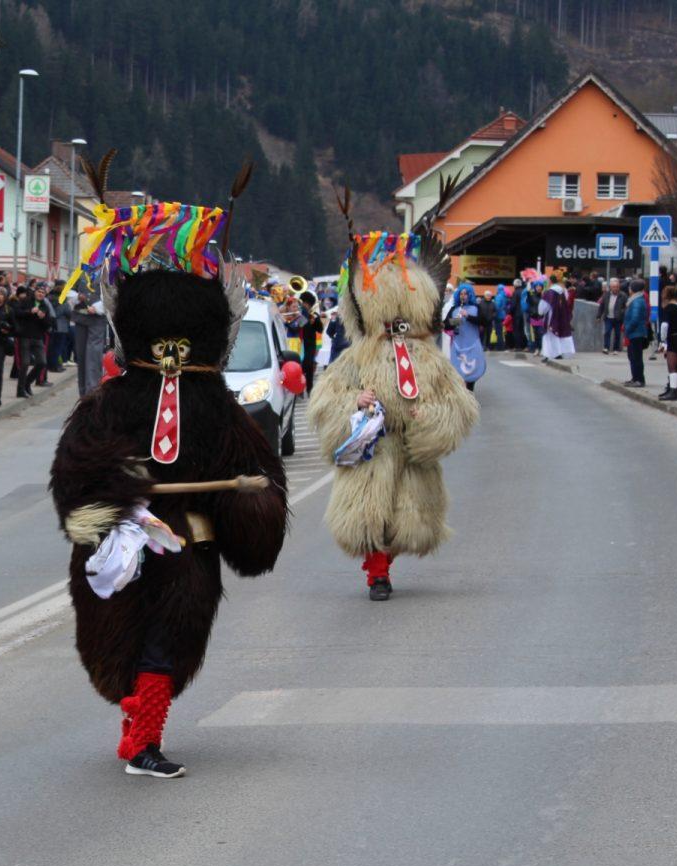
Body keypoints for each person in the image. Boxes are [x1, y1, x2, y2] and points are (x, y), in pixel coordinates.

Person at [49, 191, 288, 780]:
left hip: (187, 547)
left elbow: (258, 476)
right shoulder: (111, 403)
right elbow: (75, 468)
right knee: (120, 637)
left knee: (170, 639)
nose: (172, 355)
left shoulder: (218, 408)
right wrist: (111, 491)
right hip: (120, 541)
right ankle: (138, 725)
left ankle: (144, 741)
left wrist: (246, 500)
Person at [311, 230, 479, 602]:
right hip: (374, 448)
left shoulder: (430, 356)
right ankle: (378, 574)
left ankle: (384, 562)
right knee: (371, 518)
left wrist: (429, 417)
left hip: (412, 451)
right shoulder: (357, 356)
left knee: (408, 523)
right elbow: (325, 400)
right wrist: (355, 401)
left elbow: (458, 405)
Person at [445, 285, 488, 393]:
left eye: (465, 294)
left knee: (472, 373)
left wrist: (468, 316)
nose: (463, 296)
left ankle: (470, 393)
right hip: (458, 345)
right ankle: (462, 396)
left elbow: (484, 321)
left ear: (470, 295)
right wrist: (455, 321)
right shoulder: (454, 309)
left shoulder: (476, 308)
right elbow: (445, 325)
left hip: (473, 344)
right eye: (461, 294)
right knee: (457, 372)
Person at [69, 283, 108, 397]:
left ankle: (92, 394)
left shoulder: (107, 273)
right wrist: (77, 297)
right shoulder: (79, 274)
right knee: (81, 357)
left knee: (93, 357)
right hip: (80, 317)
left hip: (97, 319)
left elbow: (112, 293)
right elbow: (69, 290)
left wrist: (97, 307)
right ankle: (83, 395)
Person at [12, 285, 50, 397]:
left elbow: (48, 325)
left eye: (43, 292)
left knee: (42, 362)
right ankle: (20, 390)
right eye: (39, 291)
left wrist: (43, 318)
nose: (40, 294)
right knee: (25, 363)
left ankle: (27, 383)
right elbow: (16, 313)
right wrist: (30, 311)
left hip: (38, 337)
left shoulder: (45, 306)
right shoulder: (26, 301)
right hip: (25, 336)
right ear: (35, 292)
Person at [541, 270, 576, 362]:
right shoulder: (563, 291)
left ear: (551, 281)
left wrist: (541, 312)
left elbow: (543, 307)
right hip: (562, 315)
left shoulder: (549, 292)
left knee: (550, 336)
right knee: (560, 333)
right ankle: (560, 352)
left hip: (551, 316)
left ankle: (550, 354)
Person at [623, 279, 651, 387]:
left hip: (636, 333)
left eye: (630, 287)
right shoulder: (636, 299)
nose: (629, 289)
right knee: (633, 356)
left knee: (636, 357)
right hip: (635, 332)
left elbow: (635, 318)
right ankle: (635, 378)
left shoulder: (637, 301)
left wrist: (628, 329)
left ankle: (639, 379)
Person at [47, 282, 73, 372]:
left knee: (51, 346)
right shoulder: (63, 300)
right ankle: (55, 366)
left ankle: (50, 365)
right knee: (58, 347)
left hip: (51, 325)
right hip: (61, 326)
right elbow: (68, 312)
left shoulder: (49, 298)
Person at [598, 277, 627, 355]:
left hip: (618, 318)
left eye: (617, 287)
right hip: (608, 317)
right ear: (610, 287)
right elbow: (602, 305)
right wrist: (598, 316)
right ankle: (606, 347)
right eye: (613, 287)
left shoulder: (623, 295)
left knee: (617, 334)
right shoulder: (606, 295)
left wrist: (622, 312)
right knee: (607, 332)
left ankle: (616, 349)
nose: (615, 289)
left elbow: (626, 306)